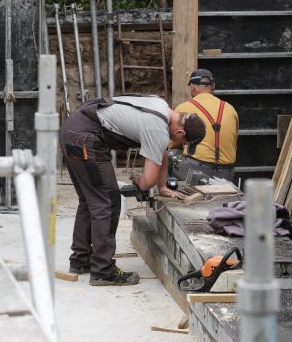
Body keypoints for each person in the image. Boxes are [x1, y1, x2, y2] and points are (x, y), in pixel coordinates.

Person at [59, 95, 206, 286]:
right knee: (108, 202)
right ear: (180, 131)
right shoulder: (157, 128)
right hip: (85, 139)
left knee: (90, 201)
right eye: (183, 142)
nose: (180, 145)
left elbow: (163, 149)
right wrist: (141, 182)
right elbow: (147, 181)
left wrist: (161, 186)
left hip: (73, 131)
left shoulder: (162, 107)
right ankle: (103, 271)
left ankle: (80, 260)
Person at [172, 69, 239, 182]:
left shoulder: (183, 108)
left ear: (192, 87)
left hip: (196, 171)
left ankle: (170, 192)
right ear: (213, 87)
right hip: (227, 174)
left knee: (168, 154)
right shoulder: (230, 108)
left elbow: (173, 143)